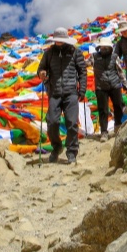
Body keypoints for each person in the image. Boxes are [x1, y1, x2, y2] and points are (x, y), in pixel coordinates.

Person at [37, 27, 87, 163]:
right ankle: (57, 147)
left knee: (71, 122)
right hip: (54, 92)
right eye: (57, 40)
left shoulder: (75, 52)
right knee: (52, 121)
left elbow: (82, 71)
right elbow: (41, 68)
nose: (58, 42)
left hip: (71, 92)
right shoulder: (49, 53)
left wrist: (82, 90)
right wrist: (42, 73)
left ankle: (71, 151)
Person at [92, 37, 125, 141]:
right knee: (103, 110)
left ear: (110, 48)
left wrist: (126, 85)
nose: (104, 49)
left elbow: (120, 71)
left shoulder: (115, 57)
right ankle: (104, 132)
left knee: (118, 106)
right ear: (99, 48)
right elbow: (83, 65)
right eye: (103, 47)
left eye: (107, 47)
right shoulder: (93, 57)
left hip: (115, 85)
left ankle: (118, 127)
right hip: (100, 87)